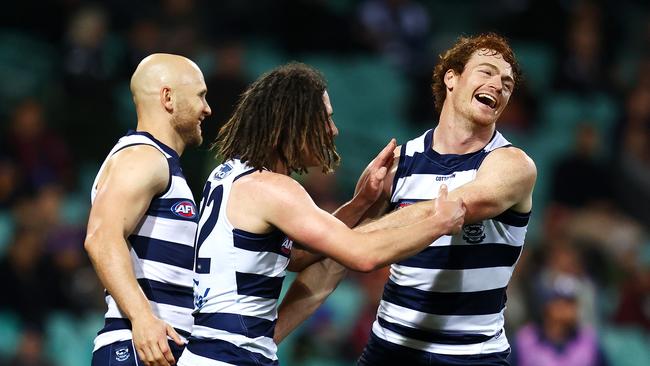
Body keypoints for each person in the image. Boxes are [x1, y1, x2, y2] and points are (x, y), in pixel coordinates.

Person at [176, 62, 466, 366]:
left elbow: (297, 257)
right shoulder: (274, 188)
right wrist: (438, 223)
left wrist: (362, 201)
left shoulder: (227, 175)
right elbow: (363, 256)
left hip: (209, 351)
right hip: (231, 357)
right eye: (325, 119)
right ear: (292, 122)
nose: (333, 130)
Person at [274, 33, 538, 365]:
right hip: (389, 349)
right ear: (451, 77)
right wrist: (267, 340)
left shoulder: (513, 165)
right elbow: (331, 265)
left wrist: (344, 240)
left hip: (471, 356)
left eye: (507, 84)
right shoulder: (397, 164)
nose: (499, 85)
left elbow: (448, 211)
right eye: (486, 72)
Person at [84, 53, 211, 366]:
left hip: (160, 347)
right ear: (168, 97)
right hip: (138, 346)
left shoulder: (161, 163)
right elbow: (101, 236)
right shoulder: (144, 157)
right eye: (200, 96)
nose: (207, 109)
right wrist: (142, 318)